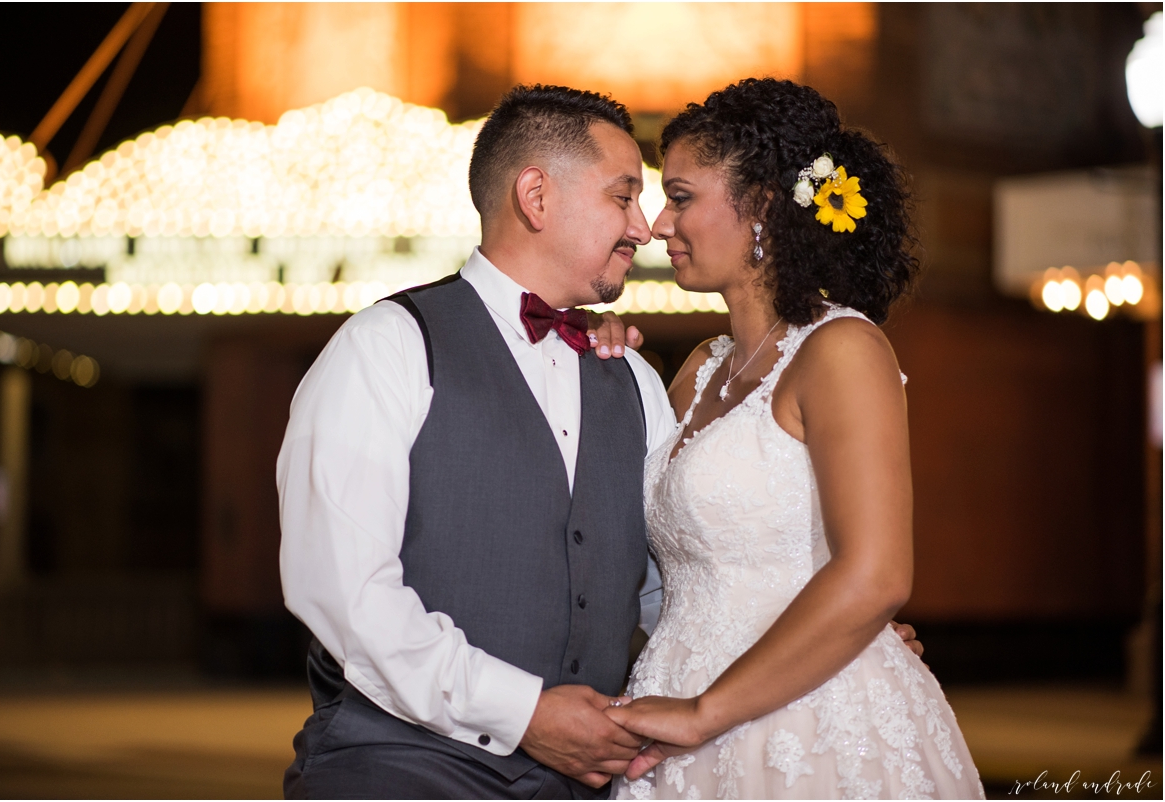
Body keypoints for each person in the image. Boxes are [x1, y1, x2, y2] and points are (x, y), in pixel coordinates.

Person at [278, 82, 925, 800]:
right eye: (624, 196)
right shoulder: (387, 348)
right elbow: (342, 593)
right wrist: (522, 713)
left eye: (668, 197)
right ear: (536, 196)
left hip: (596, 778)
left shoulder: (636, 381)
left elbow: (677, 577)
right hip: (404, 770)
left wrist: (834, 639)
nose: (646, 227)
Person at [605, 78, 985, 799]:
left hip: (808, 716)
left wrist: (703, 712)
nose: (657, 225)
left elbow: (875, 575)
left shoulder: (842, 349)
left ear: (764, 207)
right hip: (674, 712)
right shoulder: (698, 370)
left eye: (680, 197)